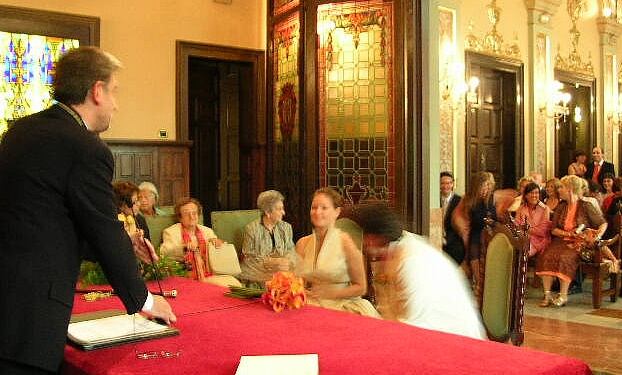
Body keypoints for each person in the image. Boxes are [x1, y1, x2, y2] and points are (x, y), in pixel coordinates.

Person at [0, 47, 175, 374]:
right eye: (115, 92)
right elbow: (102, 229)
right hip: (31, 319)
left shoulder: (19, 132)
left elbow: (48, 221)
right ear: (97, 91)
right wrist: (146, 301)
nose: (116, 104)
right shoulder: (85, 147)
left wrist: (127, 244)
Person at [354, 203, 486, 340]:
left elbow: (413, 328)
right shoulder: (399, 250)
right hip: (427, 334)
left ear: (374, 239)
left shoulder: (412, 260)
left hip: (454, 340)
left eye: (366, 238)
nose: (365, 245)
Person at [295, 187, 379, 317]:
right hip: (312, 304)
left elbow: (361, 288)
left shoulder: (345, 242)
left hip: (342, 306)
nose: (317, 212)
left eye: (324, 208)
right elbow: (297, 283)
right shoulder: (302, 243)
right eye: (314, 207)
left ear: (337, 212)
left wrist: (330, 294)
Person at [536, 175, 607, 308]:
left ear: (570, 189)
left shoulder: (585, 205)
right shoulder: (561, 206)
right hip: (561, 241)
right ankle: (547, 294)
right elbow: (553, 229)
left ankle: (563, 295)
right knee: (546, 255)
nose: (559, 190)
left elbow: (603, 224)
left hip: (579, 243)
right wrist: (568, 233)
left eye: (561, 187)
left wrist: (597, 236)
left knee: (565, 258)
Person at [159, 197, 241, 287]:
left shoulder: (207, 231)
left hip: (210, 275)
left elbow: (218, 252)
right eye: (186, 214)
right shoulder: (171, 232)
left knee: (234, 284)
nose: (191, 217)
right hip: (183, 276)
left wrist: (218, 243)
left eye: (194, 213)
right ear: (180, 218)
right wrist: (184, 247)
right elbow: (164, 252)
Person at [240, 190, 296, 287]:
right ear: (267, 212)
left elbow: (291, 251)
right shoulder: (251, 229)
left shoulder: (286, 228)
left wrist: (287, 261)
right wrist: (268, 262)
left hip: (282, 274)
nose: (284, 212)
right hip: (259, 276)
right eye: (279, 209)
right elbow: (248, 259)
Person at [514, 183, 552, 257]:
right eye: (531, 193)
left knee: (523, 252)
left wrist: (525, 228)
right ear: (526, 195)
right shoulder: (521, 208)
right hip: (523, 238)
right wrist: (525, 229)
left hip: (539, 240)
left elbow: (542, 232)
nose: (534, 195)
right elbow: (516, 226)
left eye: (536, 193)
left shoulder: (545, 209)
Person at [440, 172, 465, 264]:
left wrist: (446, 240)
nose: (446, 186)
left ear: (453, 184)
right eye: (443, 183)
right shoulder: (434, 199)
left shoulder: (460, 201)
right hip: (436, 237)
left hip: (453, 240)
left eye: (448, 183)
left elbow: (460, 226)